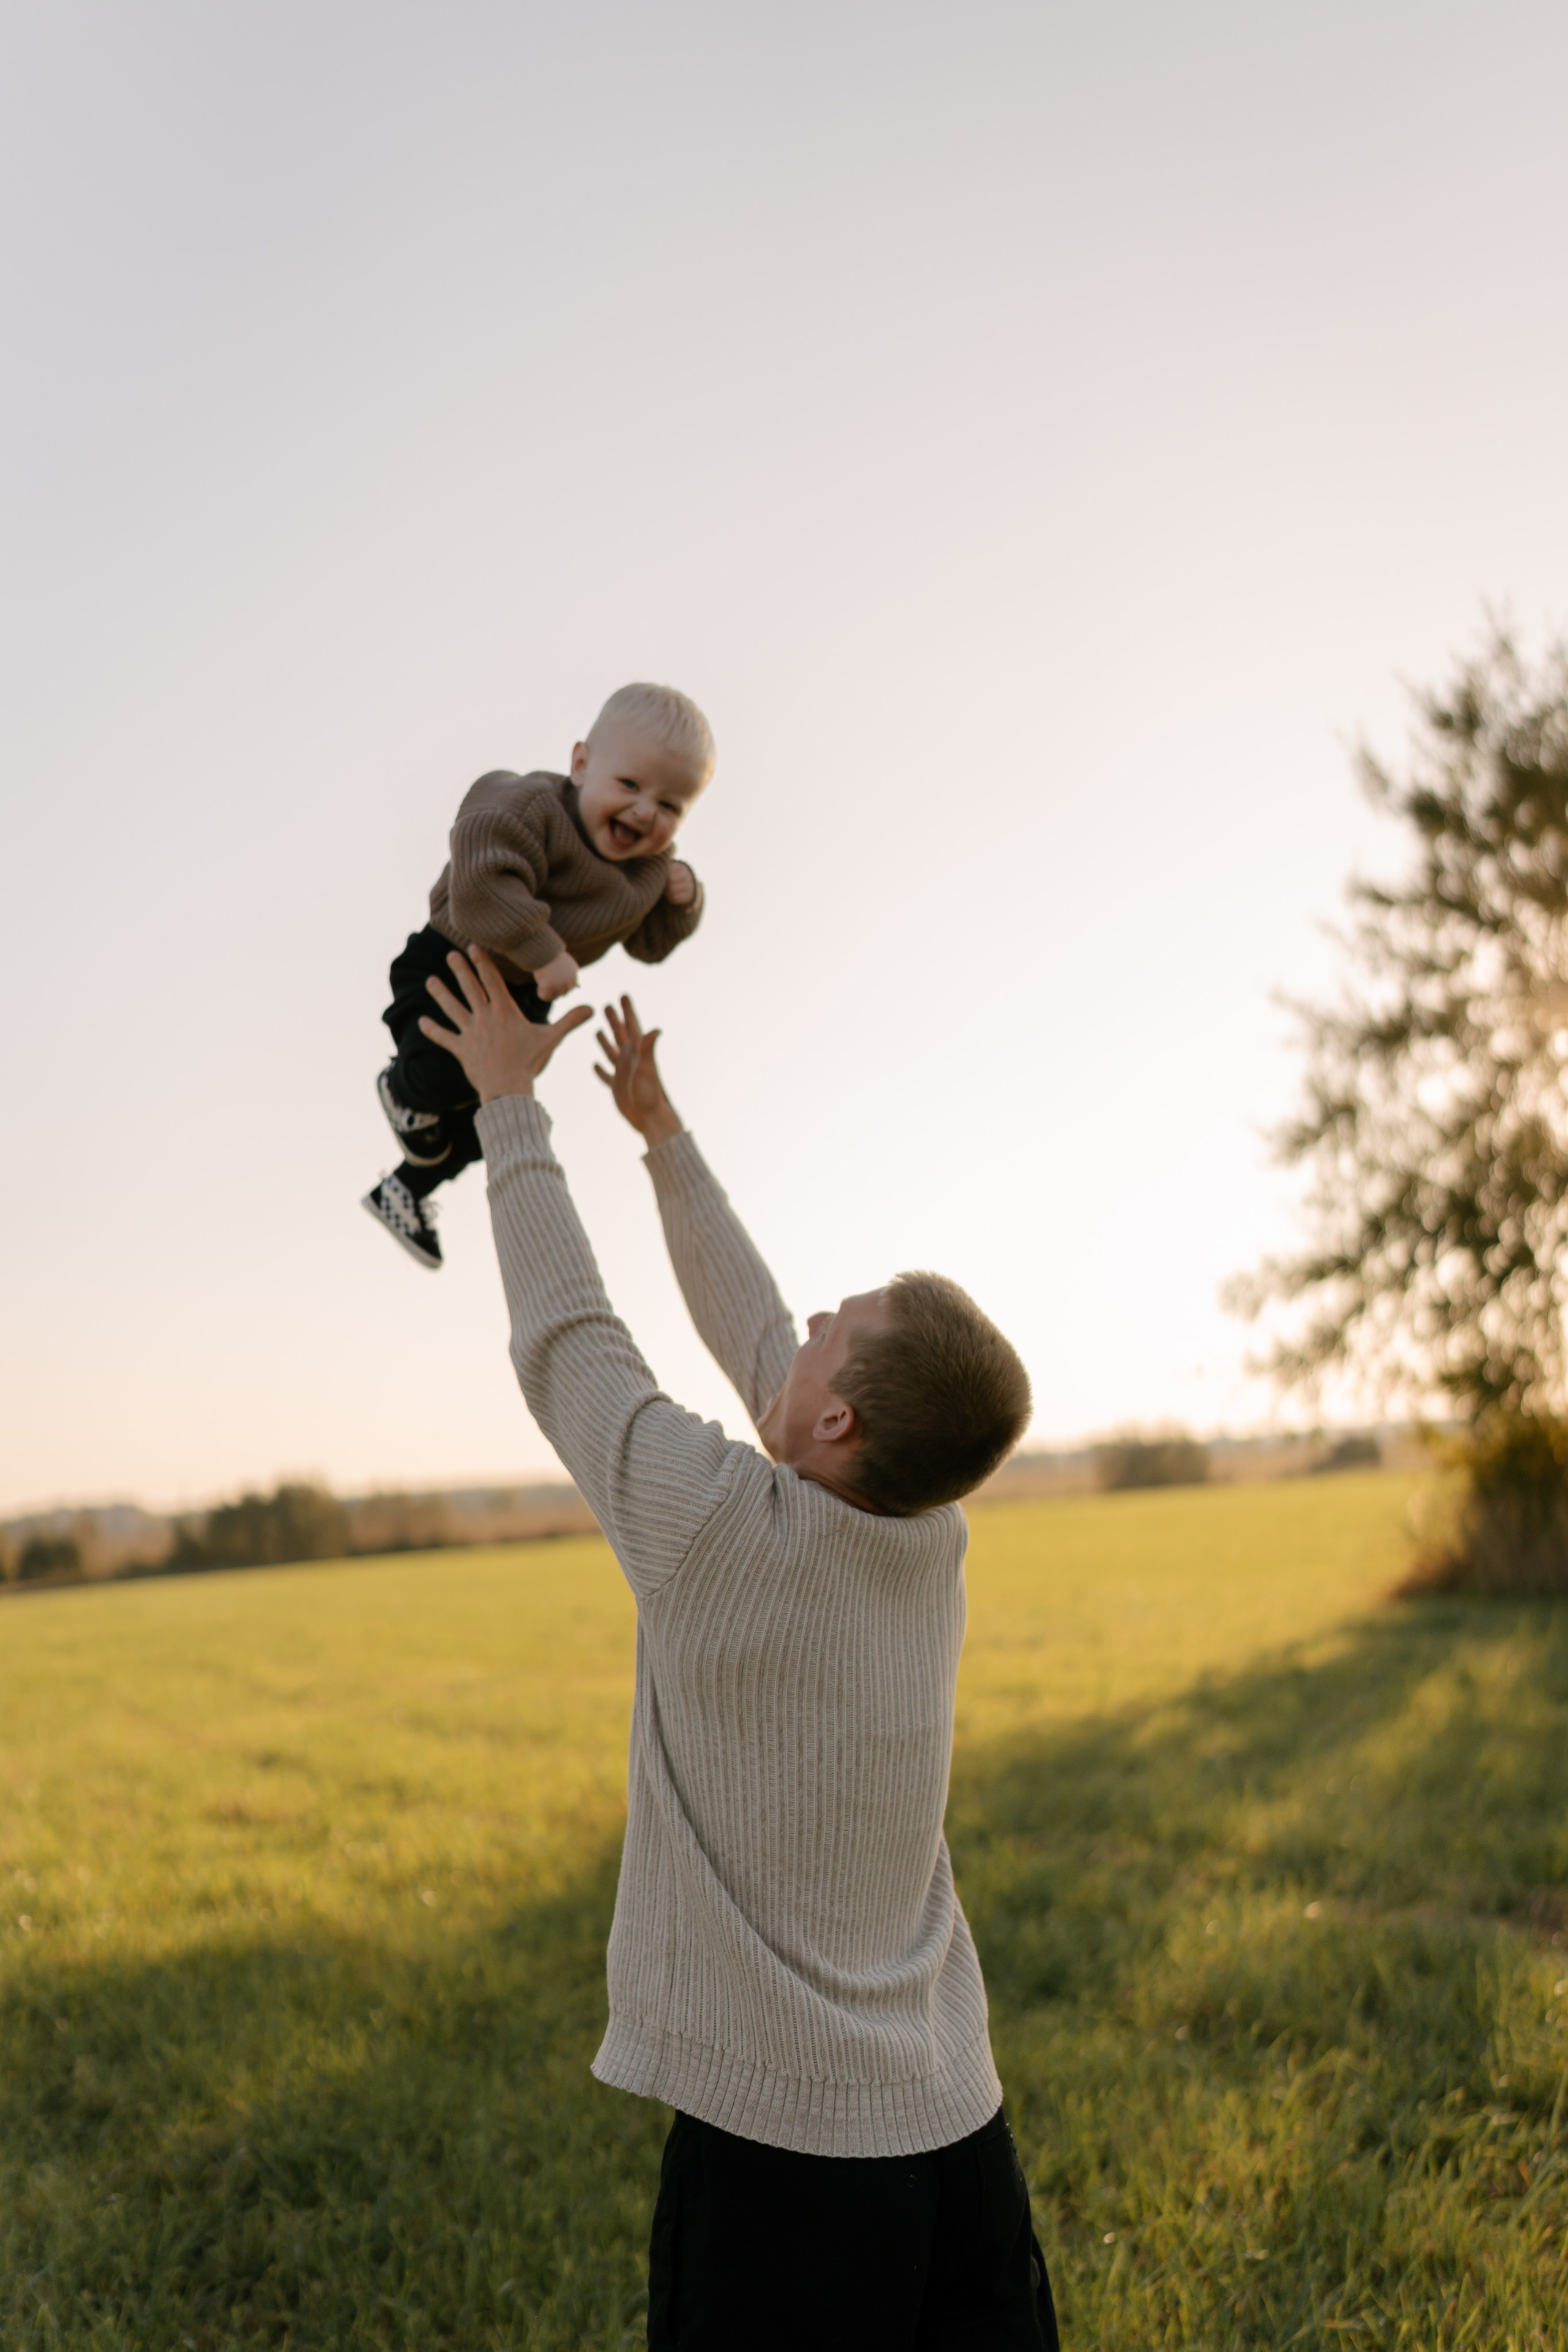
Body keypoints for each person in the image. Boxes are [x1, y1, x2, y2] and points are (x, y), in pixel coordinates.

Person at [420, 946, 1060, 2352]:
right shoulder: (926, 1533)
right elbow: (762, 1334)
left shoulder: (717, 1528)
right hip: (956, 2125)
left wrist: (508, 1110)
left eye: (843, 1326)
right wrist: (662, 1135)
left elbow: (571, 1344)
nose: (812, 1321)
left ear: (837, 1425)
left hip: (785, 2163)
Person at [363, 680, 714, 1269]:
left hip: (523, 999)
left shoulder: (649, 872)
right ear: (581, 764)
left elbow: (651, 945)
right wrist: (543, 950)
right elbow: (479, 882)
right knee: (444, 1072)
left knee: (495, 1115)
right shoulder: (528, 805)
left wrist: (684, 903)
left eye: (670, 805)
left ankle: (404, 1190)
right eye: (629, 785)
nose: (645, 811)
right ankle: (403, 1090)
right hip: (453, 963)